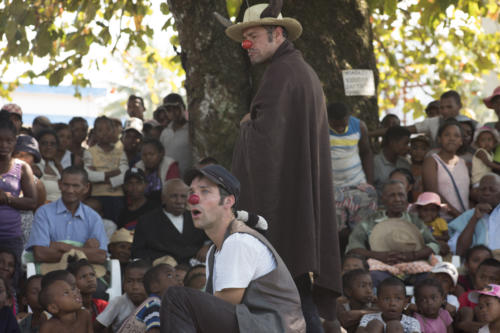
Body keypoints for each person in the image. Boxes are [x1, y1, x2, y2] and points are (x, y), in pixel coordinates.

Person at [228, 3, 342, 327]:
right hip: (297, 203)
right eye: (243, 38)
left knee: (292, 293)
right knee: (296, 291)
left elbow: (268, 141)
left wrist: (247, 124)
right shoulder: (295, 69)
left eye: (252, 36)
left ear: (277, 34)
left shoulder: (282, 74)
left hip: (284, 210)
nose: (245, 44)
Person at [161, 164, 306, 332]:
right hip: (251, 327)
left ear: (228, 201)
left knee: (176, 297)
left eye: (205, 191)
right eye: (192, 193)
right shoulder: (213, 252)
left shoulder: (238, 242)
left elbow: (219, 310)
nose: (194, 199)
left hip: (271, 329)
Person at [346, 180, 439, 287]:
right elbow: (353, 248)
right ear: (383, 199)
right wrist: (377, 255)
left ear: (406, 198)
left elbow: (433, 244)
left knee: (429, 279)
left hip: (414, 267)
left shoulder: (415, 221)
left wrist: (413, 255)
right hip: (382, 269)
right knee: (373, 278)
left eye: (401, 195)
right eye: (392, 196)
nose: (397, 199)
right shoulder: (370, 222)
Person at [26, 166, 108, 265]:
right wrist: (84, 250)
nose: (70, 190)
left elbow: (100, 256)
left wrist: (63, 247)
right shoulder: (44, 212)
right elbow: (40, 254)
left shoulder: (93, 217)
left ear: (86, 188)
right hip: (50, 276)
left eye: (75, 186)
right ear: (59, 184)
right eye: (66, 185)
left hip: (82, 276)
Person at [327, 102, 377, 242]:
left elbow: (366, 153)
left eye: (343, 124)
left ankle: (360, 254)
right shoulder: (320, 127)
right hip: (333, 188)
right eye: (336, 125)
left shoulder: (359, 126)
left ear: (348, 117)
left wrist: (370, 183)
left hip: (358, 183)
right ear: (328, 119)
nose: (340, 128)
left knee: (364, 229)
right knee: (336, 232)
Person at [131, 178, 208, 264]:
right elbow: (137, 252)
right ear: (163, 198)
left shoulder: (197, 217)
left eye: (183, 196)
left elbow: (214, 237)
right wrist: (160, 260)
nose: (179, 201)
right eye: (174, 196)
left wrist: (208, 247)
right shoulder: (147, 221)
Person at [0, 111, 37, 276]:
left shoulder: (22, 167)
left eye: (9, 141)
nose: (4, 145)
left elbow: (32, 202)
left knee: (11, 281)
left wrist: (8, 199)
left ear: (15, 141)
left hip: (11, 235)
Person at [83, 116, 128, 222]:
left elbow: (125, 173)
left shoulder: (120, 152)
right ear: (94, 133)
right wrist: (112, 173)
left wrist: (107, 180)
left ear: (113, 131)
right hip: (97, 196)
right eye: (100, 130)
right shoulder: (90, 152)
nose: (104, 133)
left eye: (108, 129)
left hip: (118, 197)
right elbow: (88, 175)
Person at [422, 120, 469, 220]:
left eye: (456, 136)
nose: (452, 138)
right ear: (439, 139)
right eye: (447, 135)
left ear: (461, 141)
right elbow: (433, 194)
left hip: (462, 220)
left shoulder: (463, 163)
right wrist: (458, 216)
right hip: (442, 222)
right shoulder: (431, 161)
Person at [448, 173, 500, 256]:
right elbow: (459, 252)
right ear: (478, 193)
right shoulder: (468, 215)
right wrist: (474, 218)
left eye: (492, 190)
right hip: (478, 266)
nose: (486, 193)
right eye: (483, 189)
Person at [118, 264, 178, 333]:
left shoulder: (153, 303)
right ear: (154, 286)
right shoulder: (155, 304)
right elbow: (154, 331)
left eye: (176, 276)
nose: (177, 280)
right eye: (169, 275)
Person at [96, 260, 150, 333]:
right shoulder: (118, 302)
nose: (135, 287)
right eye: (129, 281)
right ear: (123, 284)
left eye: (141, 281)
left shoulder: (157, 302)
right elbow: (97, 326)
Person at [356, 277, 421, 333]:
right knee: (375, 324)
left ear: (405, 302)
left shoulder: (412, 322)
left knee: (395, 326)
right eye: (386, 299)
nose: (392, 303)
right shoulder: (369, 318)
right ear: (378, 302)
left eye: (398, 299)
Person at [456, 259, 500, 332]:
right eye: (482, 277)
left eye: (493, 279)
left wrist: (467, 324)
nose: (486, 282)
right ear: (475, 277)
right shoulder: (466, 297)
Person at [134, 139, 180, 204]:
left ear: (161, 154)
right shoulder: (138, 166)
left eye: (151, 154)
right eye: (144, 155)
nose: (148, 158)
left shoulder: (170, 165)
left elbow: (173, 190)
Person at [159, 94, 192, 176]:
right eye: (169, 110)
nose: (173, 113)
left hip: (188, 178)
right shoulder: (165, 133)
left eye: (176, 108)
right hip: (168, 177)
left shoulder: (191, 131)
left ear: (183, 108)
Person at [373, 126, 411, 196]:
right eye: (405, 143)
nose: (408, 148)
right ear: (392, 142)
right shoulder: (374, 164)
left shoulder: (405, 164)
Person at [36, 129, 62, 202]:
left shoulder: (54, 166)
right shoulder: (34, 167)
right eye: (44, 143)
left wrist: (59, 165)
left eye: (52, 144)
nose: (48, 147)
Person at [409, 136, 430, 201]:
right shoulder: (406, 168)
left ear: (427, 151)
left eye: (423, 149)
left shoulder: (430, 170)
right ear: (410, 150)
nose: (418, 152)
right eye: (415, 148)